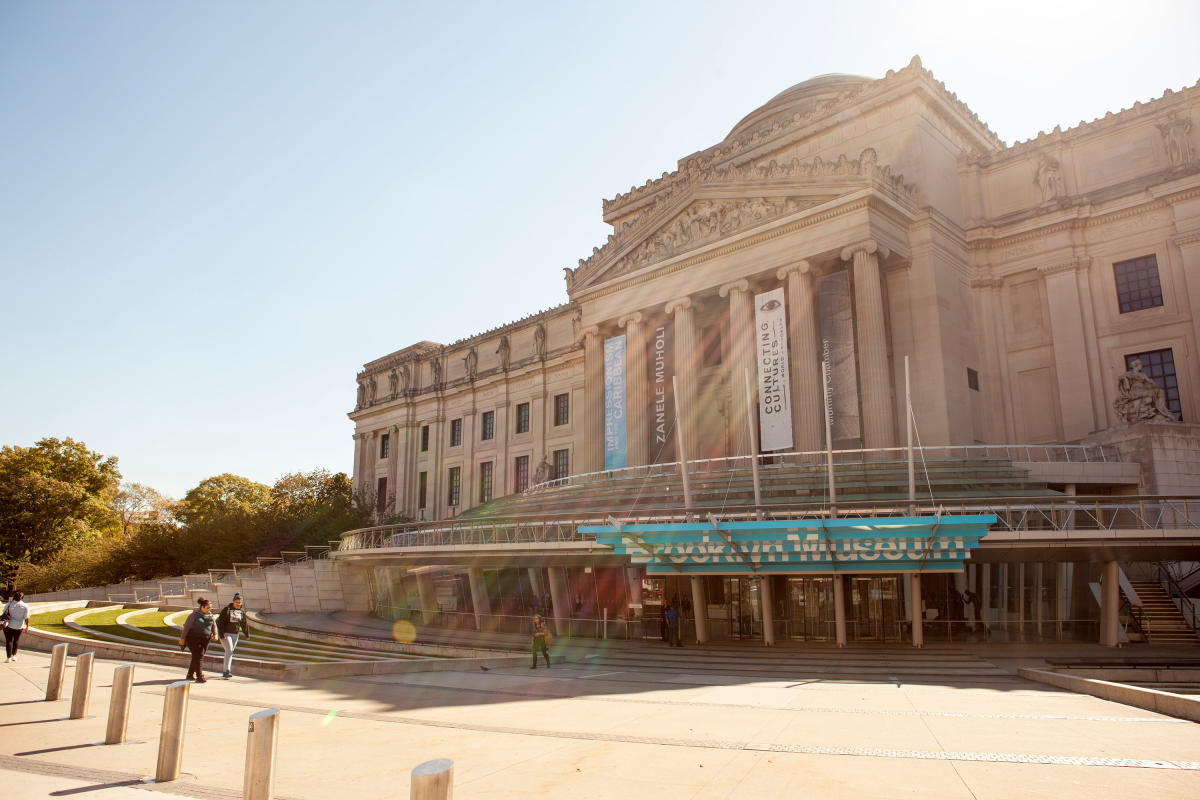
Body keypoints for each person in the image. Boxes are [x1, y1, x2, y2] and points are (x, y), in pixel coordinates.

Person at [178, 598, 218, 683]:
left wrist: (215, 634)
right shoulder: (194, 615)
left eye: (210, 608)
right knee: (199, 656)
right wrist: (182, 638)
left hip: (205, 639)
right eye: (207, 608)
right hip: (193, 639)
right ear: (202, 607)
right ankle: (200, 676)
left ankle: (190, 674)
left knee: (197, 656)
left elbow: (214, 626)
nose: (209, 610)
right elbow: (186, 627)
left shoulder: (211, 615)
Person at [216, 593, 250, 679]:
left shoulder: (241, 612)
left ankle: (226, 670)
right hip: (226, 634)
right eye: (236, 602)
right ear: (233, 601)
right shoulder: (226, 610)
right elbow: (220, 623)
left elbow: (244, 623)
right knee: (230, 650)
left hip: (235, 634)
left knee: (230, 652)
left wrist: (247, 634)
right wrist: (221, 634)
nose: (238, 604)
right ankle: (227, 671)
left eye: (240, 602)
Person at [3, 591, 31, 662]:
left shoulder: (9, 604)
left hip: (9, 625)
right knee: (16, 641)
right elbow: (27, 617)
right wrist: (27, 626)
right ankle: (14, 656)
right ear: (22, 598)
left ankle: (8, 657)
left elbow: (4, 613)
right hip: (19, 626)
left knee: (8, 641)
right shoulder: (25, 606)